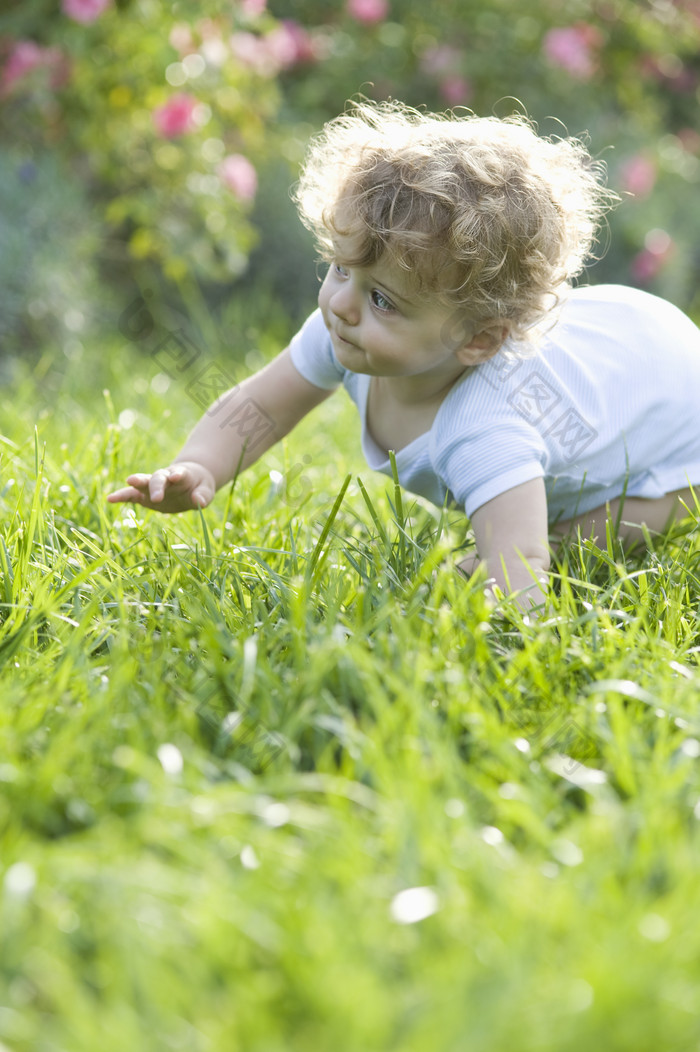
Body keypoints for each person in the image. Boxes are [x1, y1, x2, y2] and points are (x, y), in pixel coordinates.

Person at [108, 99, 700, 608]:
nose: (341, 303)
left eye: (383, 300)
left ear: (479, 340)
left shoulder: (487, 427)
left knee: (581, 534)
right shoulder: (345, 328)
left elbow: (522, 580)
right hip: (628, 341)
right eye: (340, 267)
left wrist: (497, 582)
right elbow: (260, 406)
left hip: (676, 411)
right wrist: (201, 466)